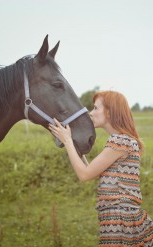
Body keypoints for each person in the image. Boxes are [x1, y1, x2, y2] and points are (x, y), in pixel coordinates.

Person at [49, 90, 153, 247]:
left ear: (110, 112)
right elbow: (91, 170)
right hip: (121, 215)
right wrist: (73, 144)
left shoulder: (119, 142)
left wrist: (68, 142)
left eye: (96, 108)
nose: (91, 113)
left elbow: (84, 175)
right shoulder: (122, 140)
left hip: (119, 218)